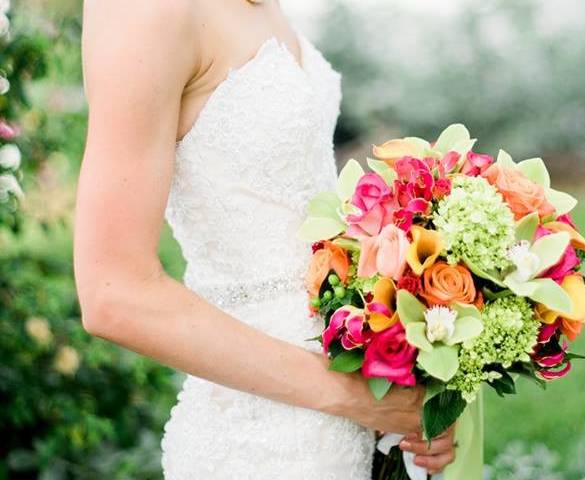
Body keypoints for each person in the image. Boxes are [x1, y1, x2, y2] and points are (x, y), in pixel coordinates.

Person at [75, 1, 457, 478]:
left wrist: (393, 380)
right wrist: (355, 399)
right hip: (259, 441)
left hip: (349, 417)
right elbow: (115, 294)